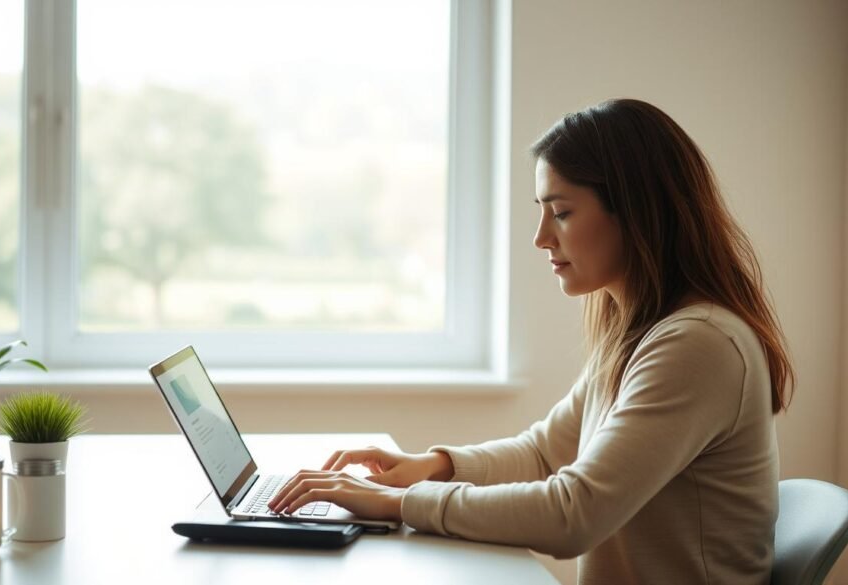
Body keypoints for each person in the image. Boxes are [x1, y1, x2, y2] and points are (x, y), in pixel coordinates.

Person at [268, 98, 794, 584]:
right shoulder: (642, 330)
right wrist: (435, 466)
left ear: (636, 212)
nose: (541, 236)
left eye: (562, 211)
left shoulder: (697, 344)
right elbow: (547, 453)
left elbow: (574, 514)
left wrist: (399, 503)